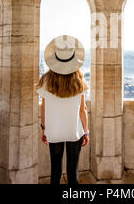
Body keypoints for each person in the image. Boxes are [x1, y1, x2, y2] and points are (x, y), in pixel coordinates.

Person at [36, 35, 90, 185]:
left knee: (55, 172)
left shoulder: (46, 80)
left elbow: (44, 107)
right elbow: (82, 109)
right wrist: (86, 131)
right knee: (73, 173)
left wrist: (44, 129)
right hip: (75, 131)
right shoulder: (79, 81)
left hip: (54, 131)